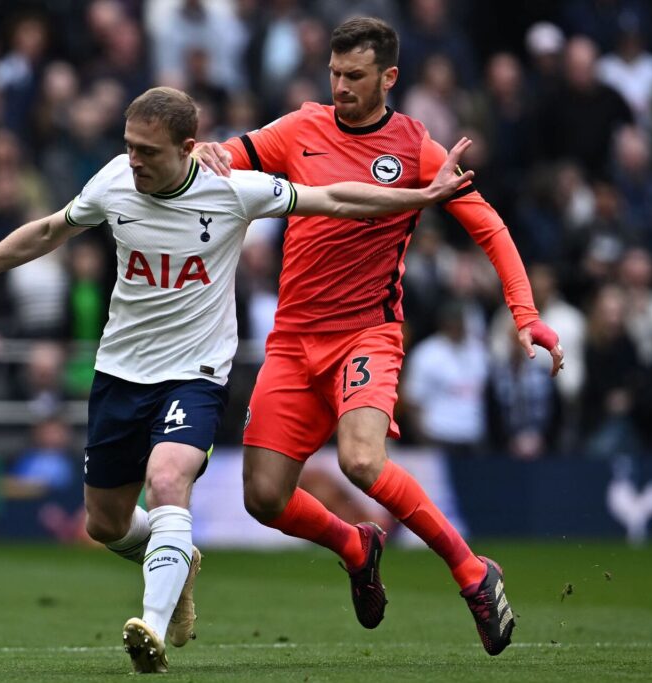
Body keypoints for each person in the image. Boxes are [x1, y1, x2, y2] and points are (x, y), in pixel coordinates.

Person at [0, 86, 472, 673]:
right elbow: (48, 231)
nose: (134, 161)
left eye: (148, 152)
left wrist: (422, 194)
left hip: (195, 375)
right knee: (105, 523)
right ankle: (177, 560)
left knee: (167, 480)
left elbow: (334, 197)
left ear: (187, 148)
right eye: (129, 147)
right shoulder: (112, 182)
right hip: (120, 372)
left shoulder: (231, 191)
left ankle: (150, 630)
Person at [193, 17, 564, 656]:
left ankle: (474, 575)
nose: (339, 85)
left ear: (388, 77)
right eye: (334, 74)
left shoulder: (416, 149)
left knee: (361, 460)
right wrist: (211, 152)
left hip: (367, 334)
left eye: (354, 76)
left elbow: (491, 228)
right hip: (292, 340)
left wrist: (525, 315)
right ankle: (354, 545)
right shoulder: (299, 127)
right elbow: (236, 152)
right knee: (263, 497)